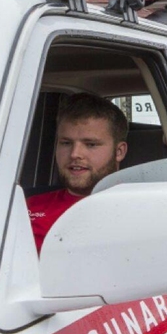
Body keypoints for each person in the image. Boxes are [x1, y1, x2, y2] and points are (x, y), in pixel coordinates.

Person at [27, 92, 128, 253]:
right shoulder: (27, 207)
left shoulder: (136, 207)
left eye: (91, 144)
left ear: (119, 152)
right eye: (66, 143)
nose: (75, 154)